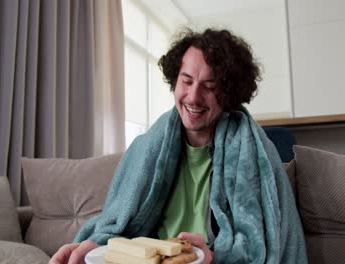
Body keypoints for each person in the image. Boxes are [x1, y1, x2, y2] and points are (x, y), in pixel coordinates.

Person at [50, 28, 307, 264]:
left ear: (228, 93)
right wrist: (89, 246)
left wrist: (213, 258)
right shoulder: (146, 147)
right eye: (186, 81)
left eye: (210, 86)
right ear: (175, 81)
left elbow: (267, 243)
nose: (194, 97)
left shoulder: (255, 152)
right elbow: (118, 223)